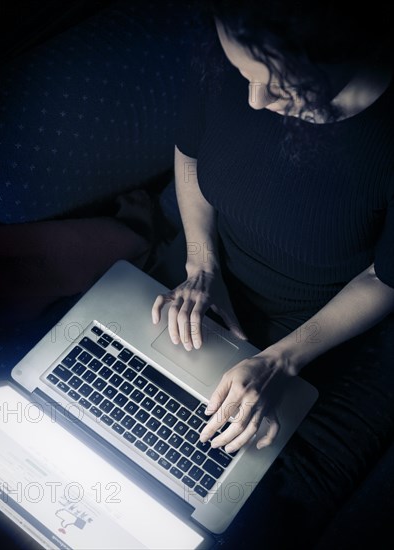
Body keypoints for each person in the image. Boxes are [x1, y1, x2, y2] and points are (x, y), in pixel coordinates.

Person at [151, 0, 394, 547]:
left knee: (244, 515)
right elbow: (188, 153)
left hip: (328, 328)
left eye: (280, 85)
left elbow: (386, 277)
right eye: (244, 76)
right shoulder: (233, 48)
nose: (255, 101)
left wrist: (280, 360)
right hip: (214, 268)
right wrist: (200, 265)